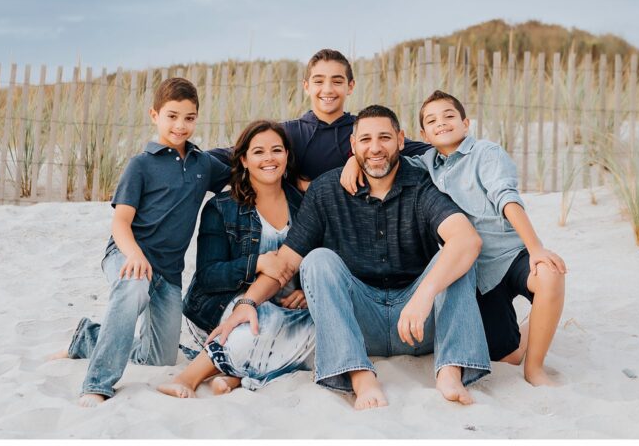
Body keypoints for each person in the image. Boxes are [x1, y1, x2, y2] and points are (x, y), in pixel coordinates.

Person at [209, 105, 490, 410]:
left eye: (384, 138)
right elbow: (288, 260)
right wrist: (248, 302)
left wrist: (423, 297)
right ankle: (359, 375)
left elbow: (467, 239)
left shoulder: (421, 183)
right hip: (359, 322)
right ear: (353, 145)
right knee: (317, 259)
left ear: (400, 140)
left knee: (458, 255)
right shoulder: (327, 190)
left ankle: (450, 370)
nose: (375, 148)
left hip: (418, 322)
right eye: (366, 140)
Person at [341, 89, 567, 386]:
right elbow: (384, 158)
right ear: (423, 133)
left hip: (510, 257)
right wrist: (353, 161)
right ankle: (527, 331)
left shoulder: (486, 153)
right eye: (432, 120)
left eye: (449, 116)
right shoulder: (425, 164)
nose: (442, 123)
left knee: (550, 276)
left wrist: (535, 248)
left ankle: (535, 369)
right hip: (475, 272)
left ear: (466, 123)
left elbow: (506, 199)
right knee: (506, 355)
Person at [52, 77, 230, 407]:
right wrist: (133, 255)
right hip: (127, 255)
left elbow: (243, 167)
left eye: (189, 117)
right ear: (154, 115)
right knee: (133, 287)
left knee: (159, 358)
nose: (180, 125)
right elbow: (120, 222)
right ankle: (98, 382)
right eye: (172, 116)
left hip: (169, 275)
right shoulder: (141, 164)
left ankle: (89, 337)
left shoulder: (203, 164)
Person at [157, 119, 313, 398]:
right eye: (258, 152)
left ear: (287, 156)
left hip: (286, 309)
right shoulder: (222, 207)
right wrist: (257, 263)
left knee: (319, 326)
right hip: (222, 307)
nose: (269, 158)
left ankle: (233, 374)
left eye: (277, 150)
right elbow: (208, 276)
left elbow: (312, 257)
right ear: (243, 159)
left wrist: (304, 290)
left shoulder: (303, 204)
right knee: (260, 317)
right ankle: (189, 377)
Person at [210, 48, 428, 191]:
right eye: (318, 81)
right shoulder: (289, 133)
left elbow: (424, 152)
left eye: (336, 81)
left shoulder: (365, 135)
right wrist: (180, 154)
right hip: (300, 234)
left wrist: (358, 160)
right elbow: (231, 155)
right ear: (306, 86)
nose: (327, 89)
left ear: (350, 86)